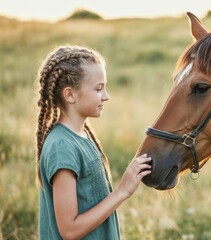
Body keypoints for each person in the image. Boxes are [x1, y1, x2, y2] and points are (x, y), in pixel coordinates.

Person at [35, 45, 152, 239]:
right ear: (70, 95)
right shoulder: (61, 147)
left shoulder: (82, 135)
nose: (106, 96)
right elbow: (69, 230)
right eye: (98, 89)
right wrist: (122, 192)